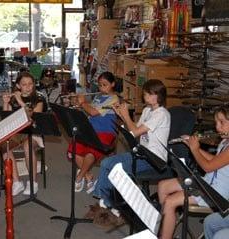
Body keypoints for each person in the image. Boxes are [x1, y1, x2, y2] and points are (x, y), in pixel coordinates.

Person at [87, 79, 171, 229]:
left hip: (154, 159)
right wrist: (121, 116)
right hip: (142, 153)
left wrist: (126, 116)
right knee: (108, 163)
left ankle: (111, 205)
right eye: (146, 94)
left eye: (152, 95)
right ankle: (106, 203)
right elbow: (133, 131)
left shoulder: (162, 114)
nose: (147, 98)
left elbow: (135, 132)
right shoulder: (147, 110)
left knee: (112, 166)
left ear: (160, 96)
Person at [157, 106, 229, 239]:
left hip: (216, 194)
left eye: (222, 122)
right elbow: (215, 160)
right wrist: (190, 145)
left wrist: (195, 149)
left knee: (170, 202)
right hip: (208, 182)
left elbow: (208, 167)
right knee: (163, 186)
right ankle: (168, 222)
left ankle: (165, 232)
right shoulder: (225, 142)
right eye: (216, 123)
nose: (217, 127)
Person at [67, 71, 118, 194]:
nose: (101, 88)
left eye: (105, 85)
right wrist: (78, 104)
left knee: (91, 152)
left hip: (105, 132)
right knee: (72, 151)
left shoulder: (114, 99)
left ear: (113, 84)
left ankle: (79, 177)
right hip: (91, 129)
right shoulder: (98, 97)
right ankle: (88, 176)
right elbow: (89, 112)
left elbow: (94, 112)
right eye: (100, 85)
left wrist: (83, 103)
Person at [2, 71, 46, 196]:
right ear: (18, 86)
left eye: (30, 84)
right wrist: (6, 102)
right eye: (24, 84)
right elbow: (6, 119)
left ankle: (33, 182)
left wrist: (19, 100)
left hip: (34, 132)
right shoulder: (13, 98)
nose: (27, 87)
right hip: (17, 132)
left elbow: (32, 117)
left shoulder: (39, 98)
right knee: (4, 146)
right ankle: (17, 182)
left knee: (28, 146)